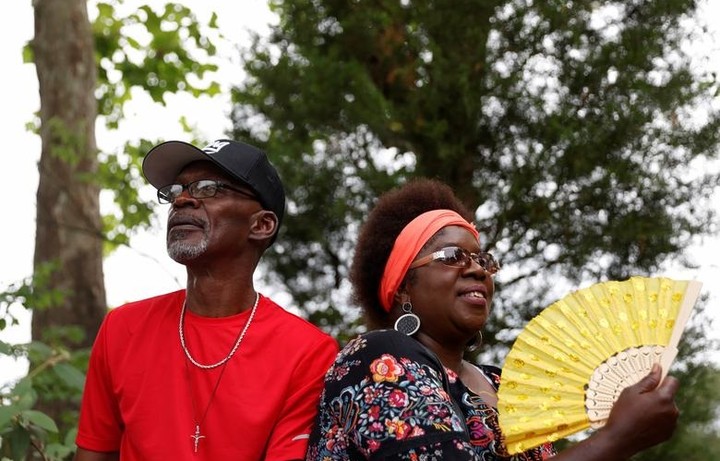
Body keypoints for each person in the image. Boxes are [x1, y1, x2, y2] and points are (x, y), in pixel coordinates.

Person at [306, 178, 680, 460]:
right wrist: (615, 439)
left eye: (483, 260)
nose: (477, 270)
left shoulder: (504, 386)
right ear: (403, 287)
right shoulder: (376, 358)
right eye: (452, 256)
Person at [74, 139, 339, 461]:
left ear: (261, 225)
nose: (181, 199)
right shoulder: (122, 328)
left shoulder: (308, 352)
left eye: (208, 188)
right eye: (176, 191)